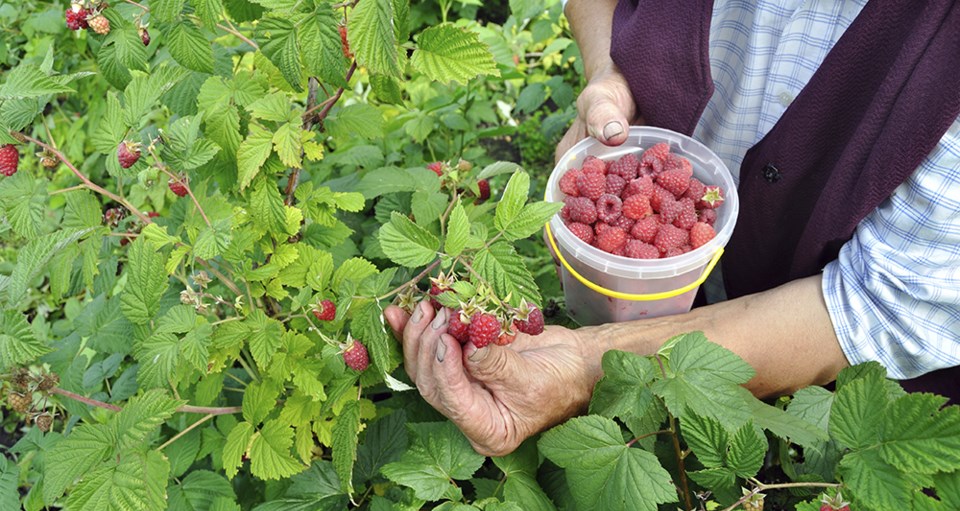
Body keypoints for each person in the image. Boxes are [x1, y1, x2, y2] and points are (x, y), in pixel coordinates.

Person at [383, 0, 960, 457]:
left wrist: (585, 367)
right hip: (659, 224)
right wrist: (606, 74)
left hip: (815, 402)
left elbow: (878, 306)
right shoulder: (642, 204)